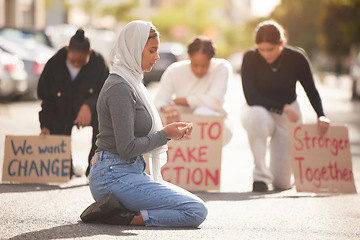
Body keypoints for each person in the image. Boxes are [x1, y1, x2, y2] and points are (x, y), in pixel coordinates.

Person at [80, 20, 207, 227]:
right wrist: (165, 134)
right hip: (111, 176)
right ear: (134, 49)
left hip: (127, 171)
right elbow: (127, 148)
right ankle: (123, 216)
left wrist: (168, 133)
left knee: (193, 207)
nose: (157, 56)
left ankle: (120, 210)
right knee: (195, 210)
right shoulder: (120, 87)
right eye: (152, 50)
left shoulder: (132, 81)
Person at [240, 20, 330, 192]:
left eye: (270, 49)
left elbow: (311, 89)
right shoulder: (250, 57)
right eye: (262, 49)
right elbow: (251, 98)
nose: (266, 54)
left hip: (289, 115)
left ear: (281, 43)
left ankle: (281, 177)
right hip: (258, 110)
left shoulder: (297, 58)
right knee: (256, 115)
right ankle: (260, 176)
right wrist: (283, 107)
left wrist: (321, 114)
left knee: (282, 184)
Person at [37, 29, 109, 177]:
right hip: (62, 110)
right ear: (67, 49)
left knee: (103, 125)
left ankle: (94, 170)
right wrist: (45, 125)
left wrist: (88, 105)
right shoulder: (53, 64)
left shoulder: (100, 64)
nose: (76, 64)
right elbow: (47, 99)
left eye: (81, 61)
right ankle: (65, 170)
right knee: (57, 125)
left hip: (92, 112)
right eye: (73, 61)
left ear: (90, 52)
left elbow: (106, 94)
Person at [154, 36, 233, 145]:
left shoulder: (221, 67)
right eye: (195, 65)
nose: (199, 70)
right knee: (169, 118)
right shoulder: (175, 70)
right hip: (184, 125)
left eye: (204, 66)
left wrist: (182, 101)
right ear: (189, 57)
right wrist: (166, 108)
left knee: (202, 112)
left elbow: (215, 101)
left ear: (211, 59)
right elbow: (159, 101)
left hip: (216, 125)